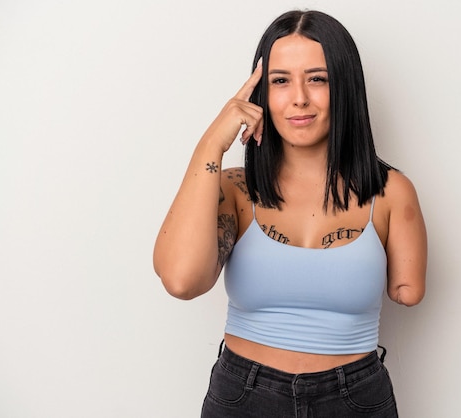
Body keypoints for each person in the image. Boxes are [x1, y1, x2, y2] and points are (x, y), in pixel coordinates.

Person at [153, 9, 427, 418]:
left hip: (355, 398)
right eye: (280, 80)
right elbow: (180, 280)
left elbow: (410, 290)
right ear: (260, 93)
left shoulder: (389, 192)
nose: (299, 97)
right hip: (244, 395)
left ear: (346, 87)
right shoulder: (236, 189)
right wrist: (211, 144)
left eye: (317, 79)